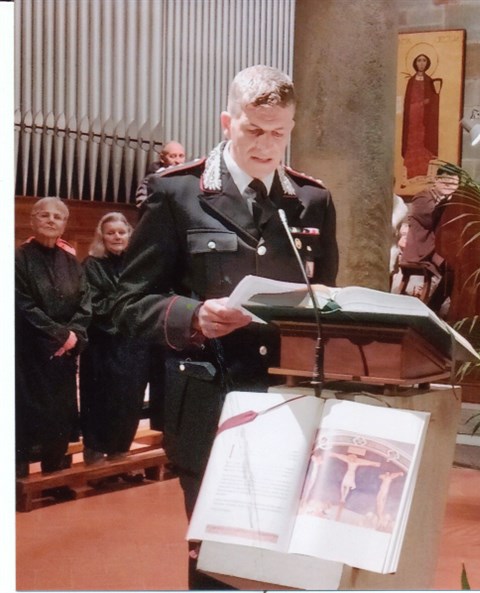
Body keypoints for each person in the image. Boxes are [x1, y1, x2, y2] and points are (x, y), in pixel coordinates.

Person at [112, 64, 338, 589]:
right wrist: (194, 316)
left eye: (279, 133)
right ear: (226, 121)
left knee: (285, 561)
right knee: (217, 564)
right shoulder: (178, 194)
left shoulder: (312, 202)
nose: (266, 145)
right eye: (253, 130)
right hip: (208, 400)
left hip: (289, 400)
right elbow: (127, 302)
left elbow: (325, 297)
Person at [15, 197, 91, 500]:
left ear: (64, 223)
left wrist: (73, 335)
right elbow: (23, 304)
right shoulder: (18, 258)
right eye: (44, 215)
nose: (50, 220)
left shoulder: (72, 261)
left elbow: (85, 304)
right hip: (30, 350)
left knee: (61, 414)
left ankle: (55, 476)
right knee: (24, 411)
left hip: (64, 353)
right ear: (32, 220)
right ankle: (18, 477)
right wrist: (59, 335)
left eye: (57, 216)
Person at [79, 213, 149, 473]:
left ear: (129, 235)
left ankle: (121, 453)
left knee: (129, 399)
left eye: (121, 232)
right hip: (104, 344)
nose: (117, 237)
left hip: (134, 344)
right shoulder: (92, 265)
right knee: (101, 399)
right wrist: (128, 311)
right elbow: (94, 304)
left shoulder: (138, 264)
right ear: (102, 237)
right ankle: (95, 458)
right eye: (110, 233)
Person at [399, 165, 459, 314]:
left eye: (453, 184)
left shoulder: (452, 200)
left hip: (438, 248)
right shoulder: (422, 197)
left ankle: (451, 310)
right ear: (436, 181)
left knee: (459, 268)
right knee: (452, 269)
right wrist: (449, 202)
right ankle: (434, 308)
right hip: (423, 249)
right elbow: (431, 219)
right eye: (445, 182)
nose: (449, 186)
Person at [401, 53, 442, 179]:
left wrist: (432, 100)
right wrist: (420, 104)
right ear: (415, 63)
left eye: (424, 60)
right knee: (412, 144)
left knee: (423, 143)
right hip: (413, 120)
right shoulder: (411, 81)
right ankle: (411, 175)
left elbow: (433, 103)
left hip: (424, 121)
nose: (421, 63)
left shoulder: (430, 81)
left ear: (427, 63)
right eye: (419, 60)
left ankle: (423, 175)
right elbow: (408, 104)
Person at [135, 140, 187, 206]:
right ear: (162, 158)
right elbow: (142, 205)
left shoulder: (188, 179)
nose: (178, 161)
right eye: (173, 156)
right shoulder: (150, 179)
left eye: (181, 156)